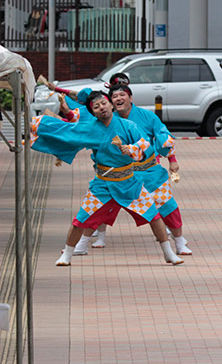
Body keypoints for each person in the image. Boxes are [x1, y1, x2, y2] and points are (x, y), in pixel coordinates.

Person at [30, 91, 182, 266]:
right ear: (93, 113)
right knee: (81, 219)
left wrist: (132, 149)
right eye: (96, 107)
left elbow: (145, 143)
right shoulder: (90, 128)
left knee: (153, 216)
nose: (101, 108)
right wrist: (39, 126)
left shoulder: (129, 125)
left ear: (110, 105)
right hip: (103, 184)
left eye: (103, 103)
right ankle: (67, 255)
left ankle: (169, 253)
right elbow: (68, 132)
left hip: (130, 183)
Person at [71, 84, 192, 255]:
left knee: (167, 204)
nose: (118, 98)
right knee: (98, 207)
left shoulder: (147, 116)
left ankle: (179, 243)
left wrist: (172, 159)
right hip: (118, 176)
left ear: (130, 97)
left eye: (122, 95)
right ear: (111, 102)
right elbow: (81, 132)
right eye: (114, 96)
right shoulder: (101, 122)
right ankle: (83, 243)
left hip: (149, 172)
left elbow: (163, 135)